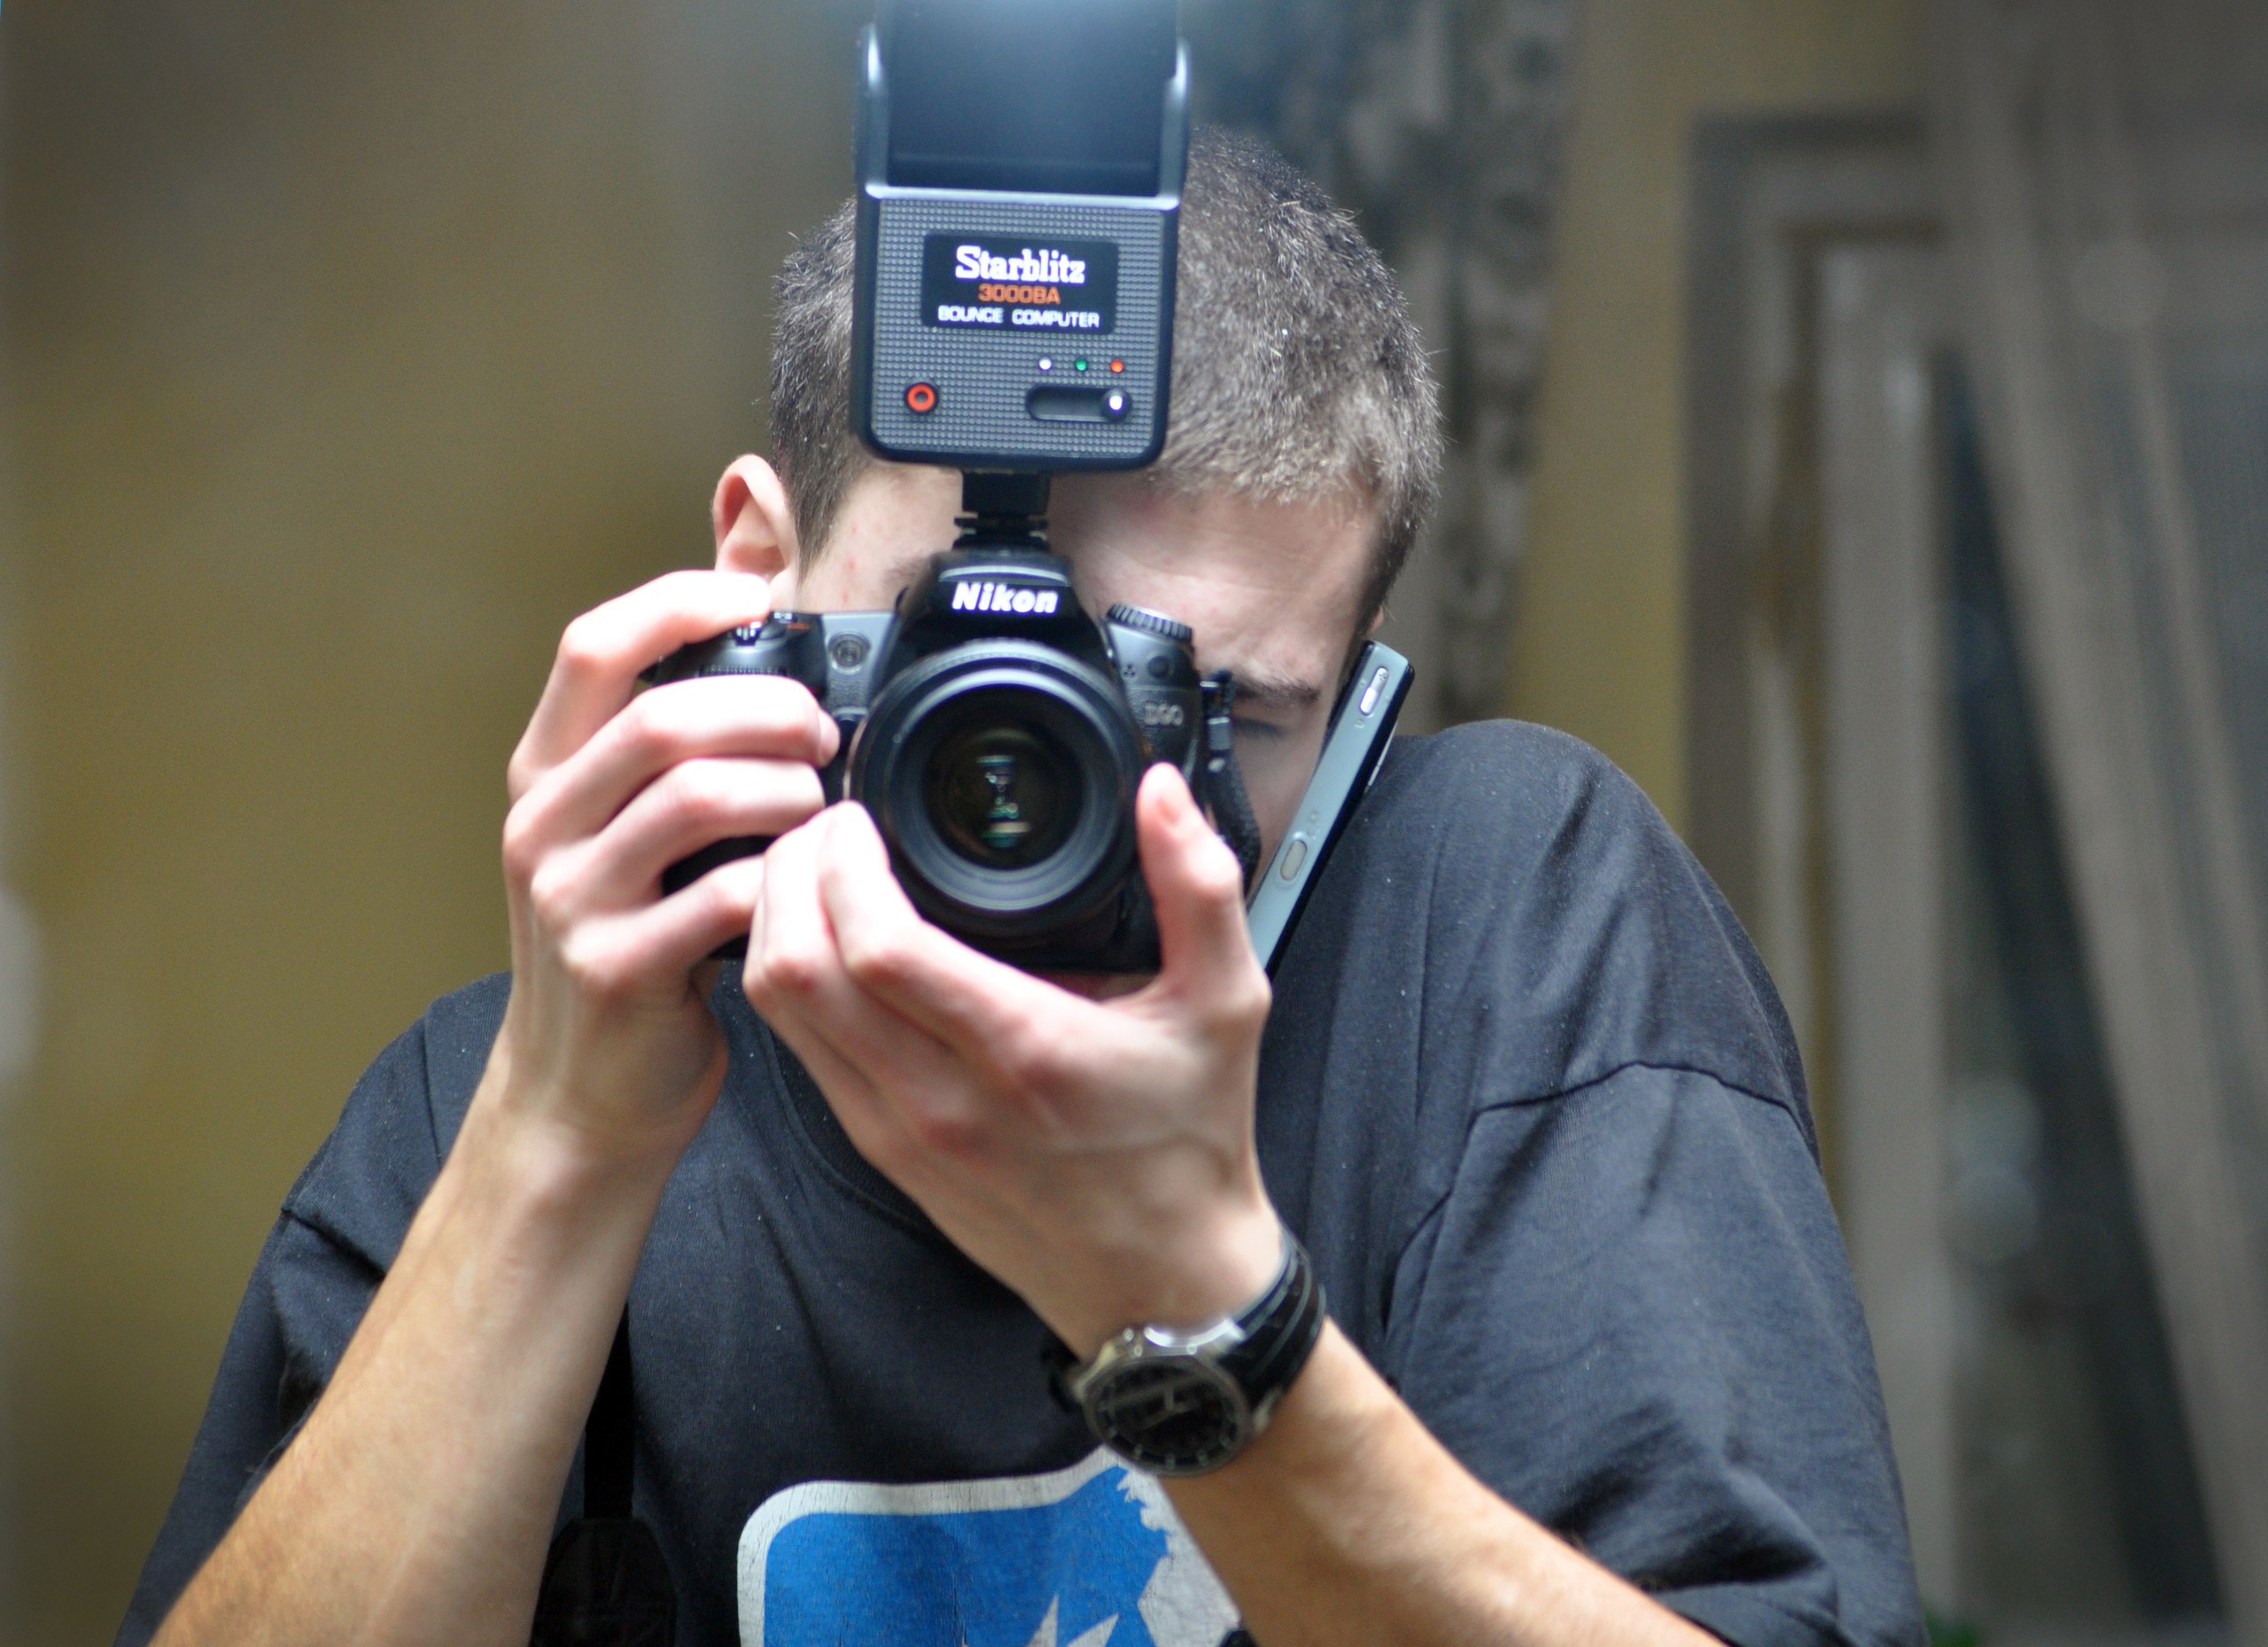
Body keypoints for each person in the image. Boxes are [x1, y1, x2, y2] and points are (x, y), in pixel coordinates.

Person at [120, 128, 1922, 1647]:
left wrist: (1194, 1308)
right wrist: (554, 1142)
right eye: (969, 671)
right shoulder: (492, 1101)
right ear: (753, 587)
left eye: (1220, 717)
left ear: (1360, 704)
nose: (1083, 796)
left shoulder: (1490, 935)